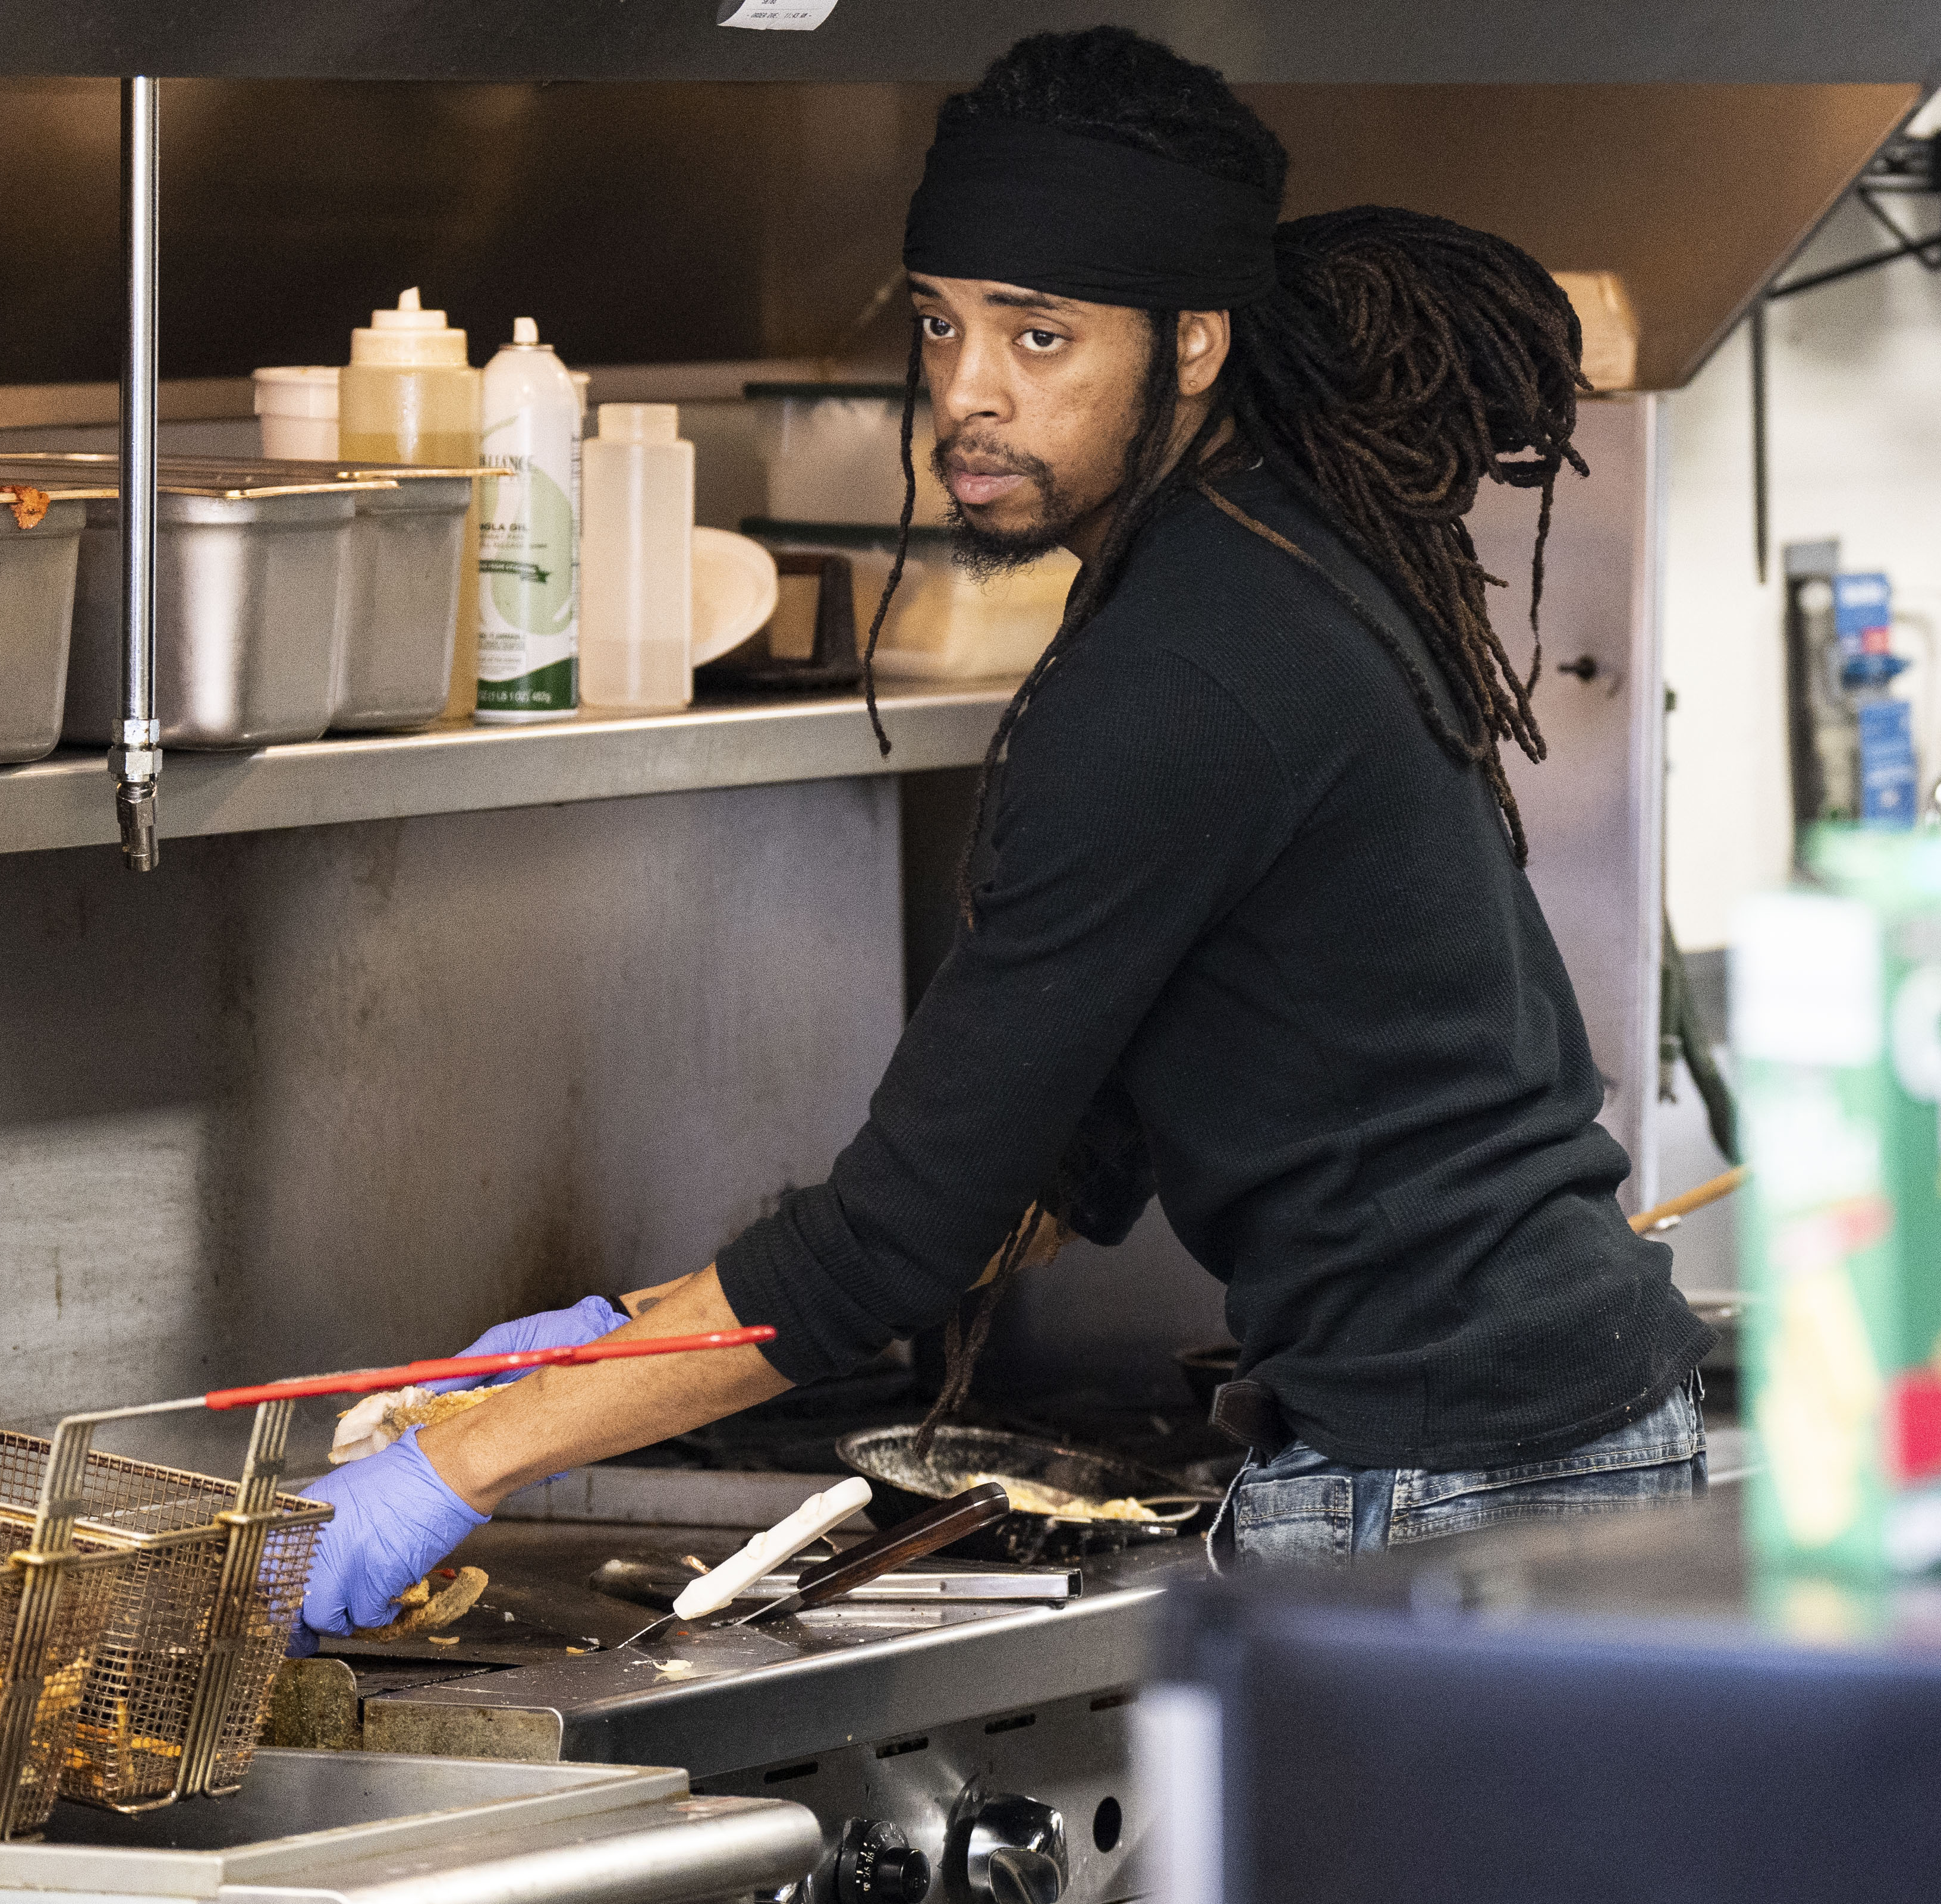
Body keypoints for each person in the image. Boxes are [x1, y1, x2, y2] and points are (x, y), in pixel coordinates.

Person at [298, 25, 1712, 1639]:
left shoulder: (1176, 669)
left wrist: (461, 1465)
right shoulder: (1275, 563)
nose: (966, 393)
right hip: (1540, 1440)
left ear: (1192, 342)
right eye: (940, 323)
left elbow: (890, 1247)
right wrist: (623, 1332)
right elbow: (1058, 1155)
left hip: (1450, 1490)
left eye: (1039, 336)